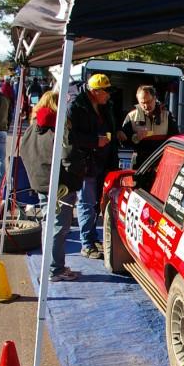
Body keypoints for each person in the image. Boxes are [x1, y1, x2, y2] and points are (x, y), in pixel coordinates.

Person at [20, 91, 85, 282]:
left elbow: (25, 151)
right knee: (58, 227)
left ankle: (53, 266)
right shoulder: (59, 128)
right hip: (59, 185)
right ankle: (55, 269)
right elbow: (69, 158)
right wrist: (80, 170)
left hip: (41, 182)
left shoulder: (34, 126)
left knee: (49, 225)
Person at [68, 73, 120, 259]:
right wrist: (94, 141)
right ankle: (87, 244)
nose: (108, 95)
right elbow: (70, 137)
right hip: (86, 163)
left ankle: (92, 236)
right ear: (95, 91)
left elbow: (110, 128)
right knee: (86, 203)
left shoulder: (105, 106)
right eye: (106, 91)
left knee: (96, 203)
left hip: (103, 161)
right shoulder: (76, 106)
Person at [121, 84, 178, 169]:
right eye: (142, 103)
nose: (146, 106)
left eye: (149, 102)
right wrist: (135, 137)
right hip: (140, 164)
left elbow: (175, 139)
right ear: (138, 101)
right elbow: (123, 141)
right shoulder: (131, 116)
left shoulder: (166, 115)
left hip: (161, 162)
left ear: (155, 98)